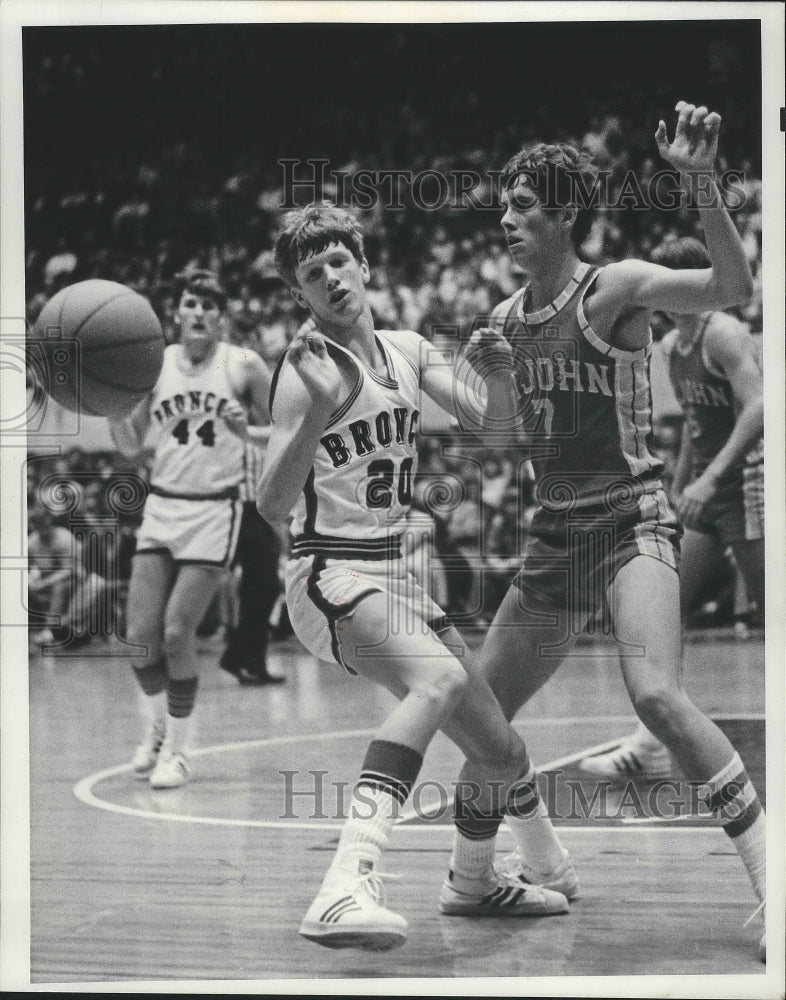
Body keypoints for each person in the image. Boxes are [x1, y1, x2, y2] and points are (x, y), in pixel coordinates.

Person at [465, 102, 765, 960]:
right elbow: (499, 441)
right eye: (504, 206)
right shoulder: (506, 319)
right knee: (482, 716)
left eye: (524, 205)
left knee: (658, 697)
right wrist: (490, 387)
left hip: (632, 519)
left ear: (562, 213)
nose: (508, 220)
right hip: (554, 535)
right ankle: (484, 875)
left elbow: (730, 288)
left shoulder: (618, 287)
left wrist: (699, 182)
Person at [258, 203, 576, 952]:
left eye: (339, 262)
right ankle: (344, 884)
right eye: (312, 273)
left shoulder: (406, 348)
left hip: (397, 578)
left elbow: (496, 430)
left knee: (500, 751)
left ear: (363, 267)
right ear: (300, 295)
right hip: (327, 573)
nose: (331, 278)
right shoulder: (304, 369)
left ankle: (471, 884)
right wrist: (318, 413)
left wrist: (499, 375)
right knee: (436, 683)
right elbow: (270, 502)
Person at [579, 235, 764, 780]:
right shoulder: (672, 348)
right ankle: (651, 742)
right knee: (666, 607)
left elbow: (758, 409)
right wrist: (679, 486)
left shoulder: (723, 334)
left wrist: (707, 479)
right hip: (708, 493)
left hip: (747, 486)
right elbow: (693, 428)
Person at [109, 269, 272, 788]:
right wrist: (111, 406)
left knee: (178, 632)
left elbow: (281, 435)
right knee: (139, 637)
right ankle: (157, 732)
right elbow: (131, 446)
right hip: (163, 505)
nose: (198, 312)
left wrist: (247, 430)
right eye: (190, 303)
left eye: (209, 305)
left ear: (222, 316)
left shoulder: (243, 365)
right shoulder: (153, 368)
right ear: (175, 313)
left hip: (215, 510)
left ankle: (179, 752)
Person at [219, 436, 287, 685]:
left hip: (258, 511)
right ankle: (240, 657)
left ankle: (250, 661)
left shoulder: (262, 425)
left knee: (261, 587)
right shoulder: (229, 427)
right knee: (263, 585)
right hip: (236, 509)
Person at [28, 505, 107, 649]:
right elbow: (26, 567)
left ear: (49, 521)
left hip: (73, 579)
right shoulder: (32, 542)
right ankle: (32, 632)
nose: (40, 525)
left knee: (65, 586)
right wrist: (31, 579)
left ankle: (52, 628)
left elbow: (70, 570)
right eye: (36, 522)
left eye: (43, 521)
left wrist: (44, 582)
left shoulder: (64, 537)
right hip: (45, 582)